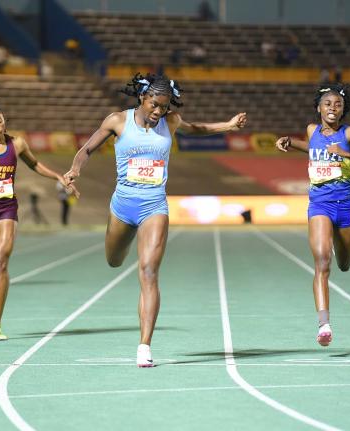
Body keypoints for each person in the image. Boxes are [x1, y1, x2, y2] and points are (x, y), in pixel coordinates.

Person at [64, 73, 247, 366]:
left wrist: (227, 125)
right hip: (122, 206)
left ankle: (144, 346)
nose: (158, 112)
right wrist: (74, 170)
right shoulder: (117, 121)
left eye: (163, 106)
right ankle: (117, 251)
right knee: (113, 259)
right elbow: (87, 148)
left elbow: (196, 129)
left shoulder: (171, 122)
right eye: (154, 104)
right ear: (142, 97)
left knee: (149, 271)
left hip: (154, 205)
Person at [0, 102, 77, 341]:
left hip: (6, 209)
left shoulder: (17, 143)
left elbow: (34, 164)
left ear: (4, 120)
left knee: (0, 262)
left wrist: (58, 177)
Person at [275, 84, 350, 347]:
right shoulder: (312, 130)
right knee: (322, 261)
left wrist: (345, 152)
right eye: (328, 104)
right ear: (318, 108)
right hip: (320, 203)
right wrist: (291, 142)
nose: (333, 108)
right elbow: (313, 147)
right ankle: (324, 324)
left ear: (343, 109)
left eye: (338, 105)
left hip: (346, 205)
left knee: (343, 264)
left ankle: (338, 243)